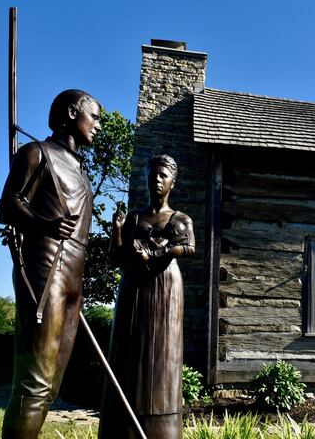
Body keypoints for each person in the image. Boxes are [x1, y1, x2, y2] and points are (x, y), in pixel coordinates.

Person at [0, 89, 101, 438]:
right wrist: (43, 224)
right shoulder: (36, 153)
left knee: (52, 384)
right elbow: (9, 204)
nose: (98, 126)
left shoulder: (79, 167)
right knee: (35, 382)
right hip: (47, 269)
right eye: (95, 116)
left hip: (74, 276)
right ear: (73, 113)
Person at [99, 154, 195, 439]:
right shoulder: (133, 218)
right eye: (152, 174)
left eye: (163, 175)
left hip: (166, 289)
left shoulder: (180, 218)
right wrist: (117, 231)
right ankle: (123, 417)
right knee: (128, 351)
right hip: (134, 289)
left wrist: (158, 252)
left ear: (172, 182)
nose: (156, 179)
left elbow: (189, 247)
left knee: (163, 353)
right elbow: (116, 256)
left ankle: (161, 421)